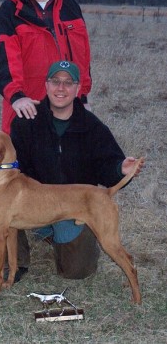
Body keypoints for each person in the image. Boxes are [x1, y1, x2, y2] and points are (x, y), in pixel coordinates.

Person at [10, 60, 144, 281]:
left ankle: (57, 236)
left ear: (77, 88)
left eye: (68, 82)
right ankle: (16, 263)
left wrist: (121, 168)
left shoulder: (92, 127)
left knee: (76, 271)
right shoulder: (27, 121)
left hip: (73, 208)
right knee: (1, 192)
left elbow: (107, 167)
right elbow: (13, 166)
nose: (61, 88)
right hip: (34, 204)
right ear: (46, 85)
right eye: (55, 81)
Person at [0, 0, 92, 135]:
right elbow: (6, 59)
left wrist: (83, 97)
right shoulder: (11, 10)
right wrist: (17, 97)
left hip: (67, 105)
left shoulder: (69, 5)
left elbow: (83, 57)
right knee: (18, 163)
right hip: (29, 108)